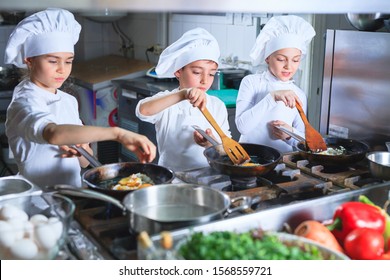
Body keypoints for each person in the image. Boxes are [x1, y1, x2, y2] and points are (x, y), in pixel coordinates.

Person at [4, 8, 156, 188]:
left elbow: (84, 163)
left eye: (68, 61)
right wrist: (118, 134)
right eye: (53, 61)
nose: (62, 69)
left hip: (72, 194)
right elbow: (53, 134)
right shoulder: (25, 101)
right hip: (38, 201)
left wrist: (82, 149)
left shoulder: (68, 101)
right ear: (29, 60)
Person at [136, 27, 231, 172]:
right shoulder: (168, 101)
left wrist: (210, 144)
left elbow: (226, 150)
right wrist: (183, 95)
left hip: (209, 177)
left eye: (211, 74)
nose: (205, 80)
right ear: (178, 71)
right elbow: (143, 110)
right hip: (172, 179)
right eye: (197, 72)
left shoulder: (217, 106)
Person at [235, 15, 316, 153]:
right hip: (249, 161)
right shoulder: (251, 83)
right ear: (267, 57)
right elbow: (243, 127)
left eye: (295, 60)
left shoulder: (299, 95)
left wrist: (290, 135)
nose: (288, 67)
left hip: (282, 164)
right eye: (281, 59)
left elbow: (304, 141)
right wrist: (272, 97)